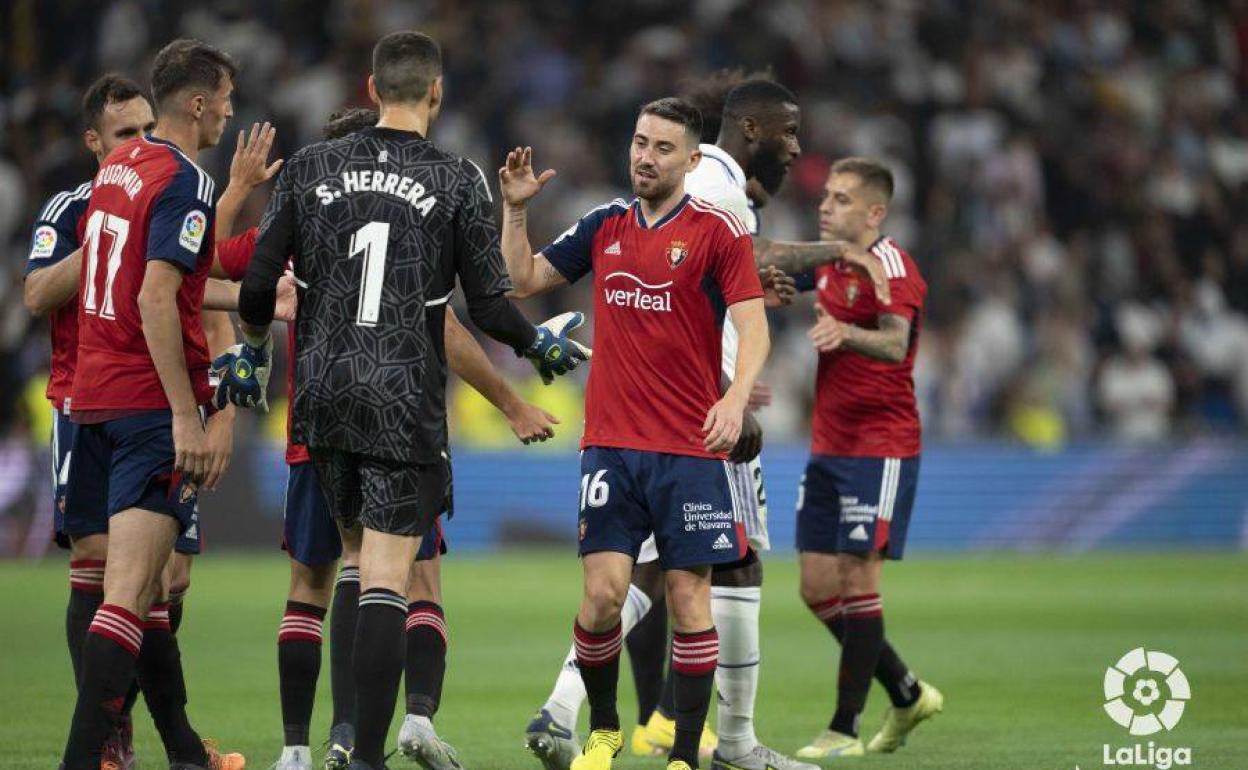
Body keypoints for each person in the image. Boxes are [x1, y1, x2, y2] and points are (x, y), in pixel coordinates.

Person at [218, 31, 587, 770]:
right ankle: (366, 757)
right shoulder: (455, 179)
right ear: (438, 93)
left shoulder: (313, 166)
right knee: (390, 576)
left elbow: (257, 284)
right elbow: (486, 303)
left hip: (320, 398)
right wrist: (537, 345)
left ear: (371, 88)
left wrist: (254, 349)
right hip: (399, 396)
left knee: (351, 562)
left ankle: (333, 738)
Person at [525, 74, 880, 770]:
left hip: (692, 410)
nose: (796, 146)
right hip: (695, 419)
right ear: (751, 130)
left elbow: (729, 285)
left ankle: (603, 718)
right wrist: (841, 256)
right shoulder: (713, 184)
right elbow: (746, 263)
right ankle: (726, 743)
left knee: (665, 576)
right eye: (788, 130)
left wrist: (740, 353)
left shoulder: (712, 196)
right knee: (726, 567)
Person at [500, 97, 770, 770]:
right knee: (602, 596)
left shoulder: (718, 231)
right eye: (640, 143)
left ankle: (682, 753)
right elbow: (523, 279)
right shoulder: (605, 224)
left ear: (693, 159)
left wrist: (735, 399)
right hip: (612, 446)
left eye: (663, 148)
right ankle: (606, 730)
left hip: (689, 447)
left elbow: (756, 325)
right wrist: (514, 209)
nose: (646, 157)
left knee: (687, 598)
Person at [57, 40, 245, 770]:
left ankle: (186, 755)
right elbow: (156, 295)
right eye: (225, 97)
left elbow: (161, 280)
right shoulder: (185, 178)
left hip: (93, 399)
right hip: (145, 407)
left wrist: (267, 295)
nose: (230, 110)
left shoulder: (115, 170)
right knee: (130, 596)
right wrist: (184, 413)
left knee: (151, 592)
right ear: (198, 103)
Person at [791, 158, 943, 759]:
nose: (826, 205)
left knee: (858, 579)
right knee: (814, 587)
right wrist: (778, 287)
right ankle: (905, 692)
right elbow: (768, 267)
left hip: (880, 447)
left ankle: (844, 727)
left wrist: (845, 335)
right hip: (828, 444)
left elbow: (896, 342)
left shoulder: (894, 269)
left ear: (875, 213)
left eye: (842, 199)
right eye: (827, 195)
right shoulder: (831, 260)